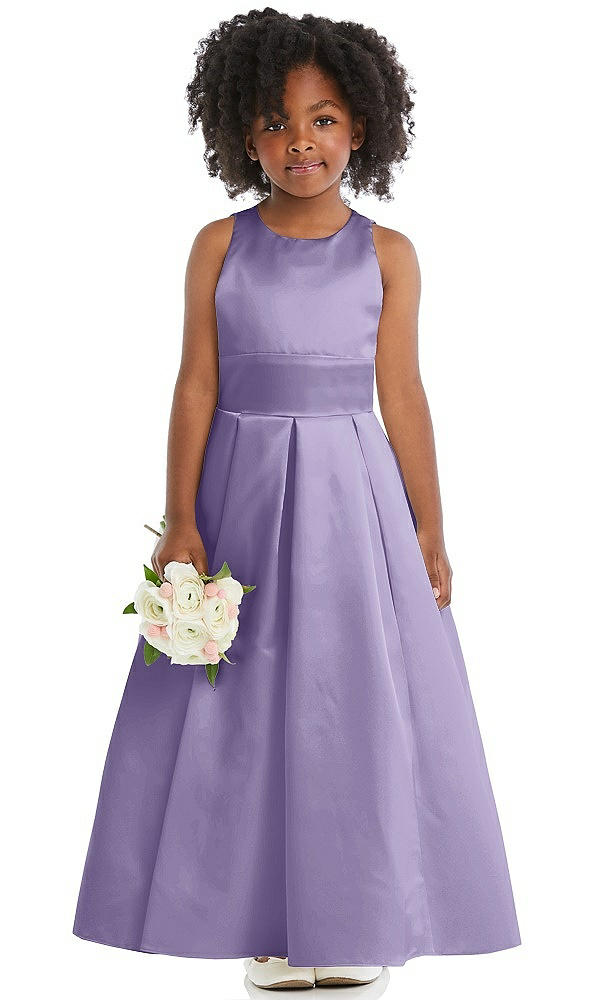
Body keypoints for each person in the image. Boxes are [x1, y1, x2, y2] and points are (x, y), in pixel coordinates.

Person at [73, 9, 521, 990]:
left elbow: (402, 394)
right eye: (276, 122)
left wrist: (430, 526)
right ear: (243, 133)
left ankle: (351, 917)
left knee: (347, 699)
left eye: (322, 120)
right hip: (242, 491)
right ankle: (267, 928)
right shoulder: (219, 244)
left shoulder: (388, 253)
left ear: (361, 127)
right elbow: (196, 383)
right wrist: (182, 517)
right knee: (243, 702)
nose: (300, 141)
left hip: (352, 500)